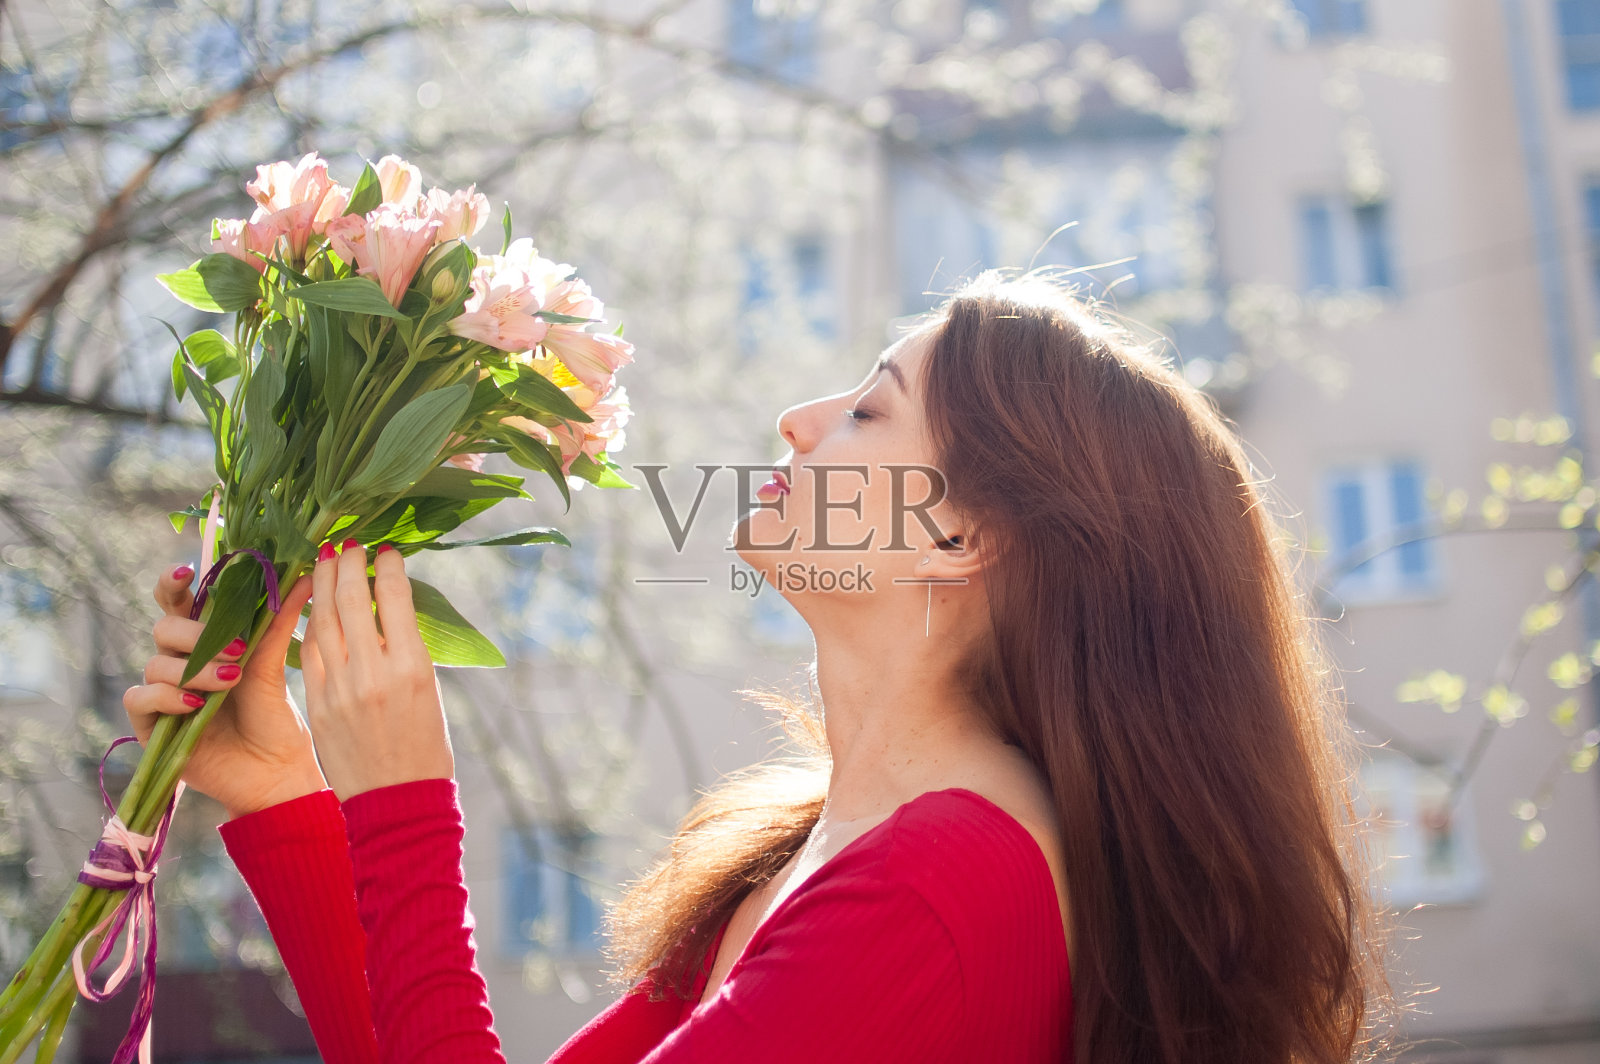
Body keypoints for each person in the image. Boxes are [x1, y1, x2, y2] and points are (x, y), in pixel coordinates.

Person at [124, 272, 1390, 1064]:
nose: (797, 418)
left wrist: (403, 807)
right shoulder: (812, 846)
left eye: (872, 407)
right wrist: (293, 801)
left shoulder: (943, 889)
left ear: (960, 537)